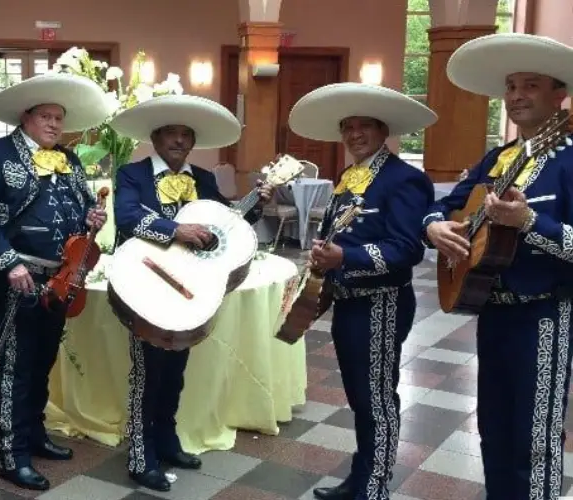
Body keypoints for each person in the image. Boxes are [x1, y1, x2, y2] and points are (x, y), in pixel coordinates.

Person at [423, 33, 573, 499]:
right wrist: (434, 228)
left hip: (543, 315)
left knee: (535, 441)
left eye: (531, 84)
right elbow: (450, 204)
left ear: (559, 96)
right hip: (491, 310)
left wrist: (529, 221)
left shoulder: (569, 162)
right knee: (492, 428)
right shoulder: (499, 158)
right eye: (510, 86)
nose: (516, 95)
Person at [109, 94, 274, 491]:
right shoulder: (133, 175)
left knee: (175, 372)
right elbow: (129, 218)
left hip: (189, 289)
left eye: (186, 135)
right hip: (145, 283)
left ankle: (166, 441)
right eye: (171, 133)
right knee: (146, 374)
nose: (179, 141)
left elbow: (226, 223)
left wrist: (255, 205)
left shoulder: (203, 179)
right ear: (155, 137)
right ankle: (140, 455)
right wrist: (174, 230)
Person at [287, 82, 437, 500]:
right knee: (359, 396)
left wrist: (345, 258)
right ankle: (360, 476)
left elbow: (407, 248)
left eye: (364, 126)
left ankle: (374, 486)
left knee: (376, 398)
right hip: (349, 303)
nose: (354, 134)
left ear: (383, 130)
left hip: (382, 303)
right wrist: (323, 255)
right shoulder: (350, 179)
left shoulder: (404, 179)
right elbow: (339, 235)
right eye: (348, 127)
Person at [0, 72, 109, 490]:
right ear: (25, 117)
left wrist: (91, 218)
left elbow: (80, 211)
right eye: (46, 116)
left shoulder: (71, 159)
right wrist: (9, 263)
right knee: (15, 368)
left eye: (59, 118)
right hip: (18, 277)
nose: (54, 124)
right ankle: (13, 454)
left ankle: (36, 433)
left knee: (44, 361)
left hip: (61, 279)